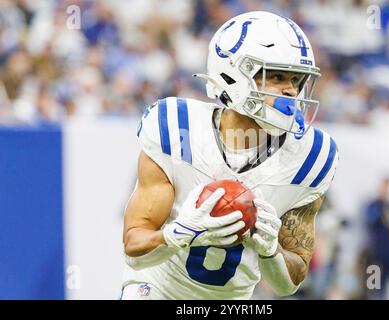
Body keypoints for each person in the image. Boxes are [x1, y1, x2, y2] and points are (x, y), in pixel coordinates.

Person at [120, 11, 339, 300]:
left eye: (297, 80)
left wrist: (271, 250)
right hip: (157, 289)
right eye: (275, 76)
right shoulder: (177, 127)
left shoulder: (310, 155)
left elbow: (289, 284)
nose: (291, 90)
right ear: (233, 74)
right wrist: (178, 234)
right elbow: (134, 251)